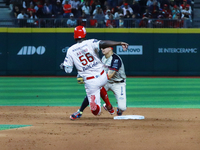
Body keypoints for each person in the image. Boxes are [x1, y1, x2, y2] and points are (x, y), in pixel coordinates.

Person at [60, 26, 128, 120]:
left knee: (96, 111)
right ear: (85, 34)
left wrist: (63, 66)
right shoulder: (90, 42)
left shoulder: (70, 50)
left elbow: (68, 70)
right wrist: (119, 43)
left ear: (74, 36)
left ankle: (94, 106)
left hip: (91, 81)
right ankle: (108, 106)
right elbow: (103, 43)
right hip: (103, 76)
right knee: (99, 86)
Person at [70, 46, 127, 120]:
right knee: (93, 90)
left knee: (122, 107)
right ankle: (80, 111)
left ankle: (119, 109)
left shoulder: (116, 59)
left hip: (118, 83)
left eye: (104, 48)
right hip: (106, 82)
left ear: (110, 48)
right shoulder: (103, 59)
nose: (102, 49)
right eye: (102, 48)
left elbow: (110, 75)